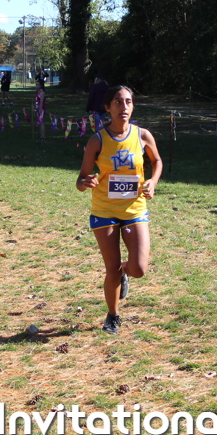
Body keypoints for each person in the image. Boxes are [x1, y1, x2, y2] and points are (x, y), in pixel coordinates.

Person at [76, 85, 163, 335]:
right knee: (110, 267)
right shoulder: (97, 140)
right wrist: (86, 183)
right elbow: (80, 179)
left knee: (139, 269)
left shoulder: (142, 135)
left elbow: (157, 161)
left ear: (132, 106)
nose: (123, 106)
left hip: (134, 208)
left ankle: (126, 271)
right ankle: (113, 316)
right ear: (107, 107)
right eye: (117, 102)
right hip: (104, 210)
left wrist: (152, 181)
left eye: (128, 102)